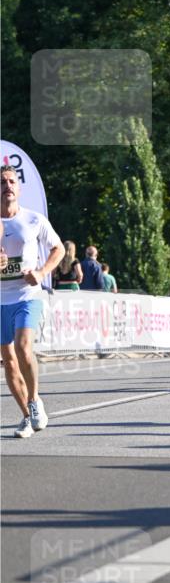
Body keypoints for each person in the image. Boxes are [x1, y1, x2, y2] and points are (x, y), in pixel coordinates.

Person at [1, 165, 65, 437]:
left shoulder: (33, 219)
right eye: (2, 182)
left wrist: (40, 272)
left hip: (28, 295)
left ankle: (34, 399)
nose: (8, 186)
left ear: (19, 187)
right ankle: (28, 415)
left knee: (24, 347)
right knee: (9, 361)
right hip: (0, 299)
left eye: (12, 181)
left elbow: (58, 249)